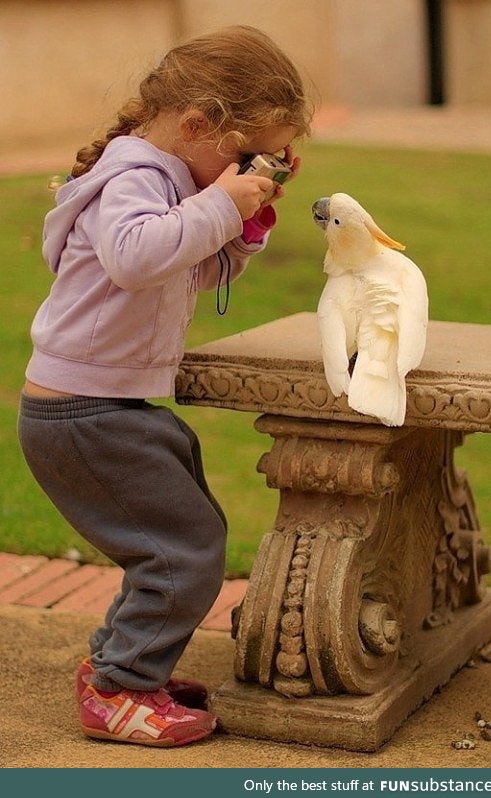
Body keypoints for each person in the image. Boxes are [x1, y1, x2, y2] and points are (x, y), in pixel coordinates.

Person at [17, 25, 313, 748]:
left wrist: (246, 217)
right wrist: (219, 205)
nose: (249, 167)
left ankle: (120, 669)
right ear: (196, 125)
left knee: (177, 540)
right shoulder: (137, 177)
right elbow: (133, 256)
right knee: (182, 548)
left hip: (105, 408)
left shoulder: (168, 182)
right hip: (82, 414)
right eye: (245, 154)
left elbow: (189, 268)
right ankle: (120, 688)